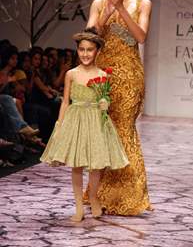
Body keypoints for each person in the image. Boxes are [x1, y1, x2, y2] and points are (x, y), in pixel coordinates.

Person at [86, 0, 152, 215]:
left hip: (129, 75)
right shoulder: (97, 3)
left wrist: (122, 9)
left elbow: (141, 36)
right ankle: (98, 195)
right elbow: (91, 36)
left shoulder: (142, 4)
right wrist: (108, 10)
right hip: (101, 75)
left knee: (124, 130)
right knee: (102, 132)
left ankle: (129, 197)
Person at [40, 29, 129, 222]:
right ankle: (79, 206)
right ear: (77, 51)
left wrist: (105, 104)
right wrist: (59, 124)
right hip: (76, 120)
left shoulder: (103, 75)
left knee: (96, 166)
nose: (85, 54)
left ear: (97, 51)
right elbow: (65, 101)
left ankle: (94, 196)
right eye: (81, 50)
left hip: (96, 121)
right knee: (77, 165)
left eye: (90, 50)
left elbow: (105, 99)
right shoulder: (71, 74)